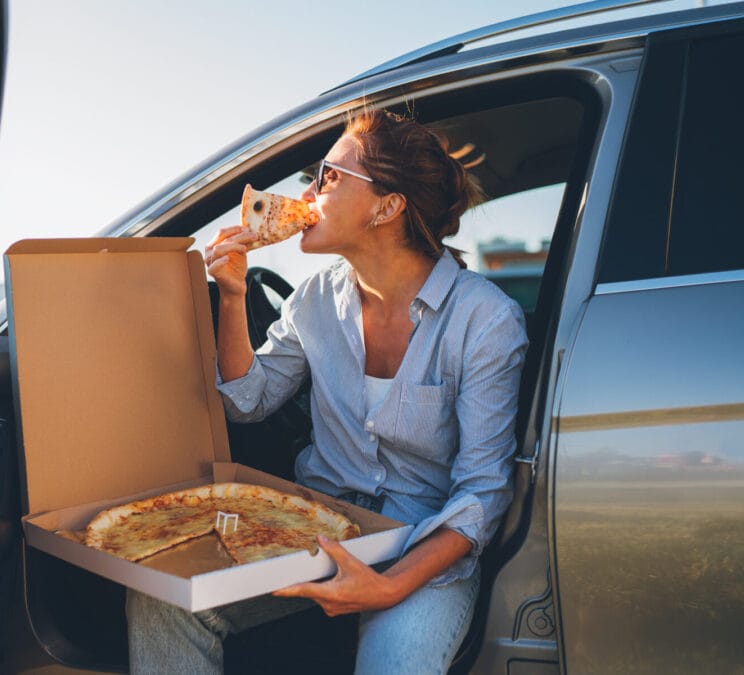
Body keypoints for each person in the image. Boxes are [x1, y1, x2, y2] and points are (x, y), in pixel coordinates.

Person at [126, 109, 529, 674]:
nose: (308, 192)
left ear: (387, 208)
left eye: (329, 177)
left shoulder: (485, 319)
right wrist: (234, 295)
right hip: (313, 532)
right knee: (164, 589)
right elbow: (249, 401)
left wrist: (388, 590)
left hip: (419, 553)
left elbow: (481, 496)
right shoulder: (314, 298)